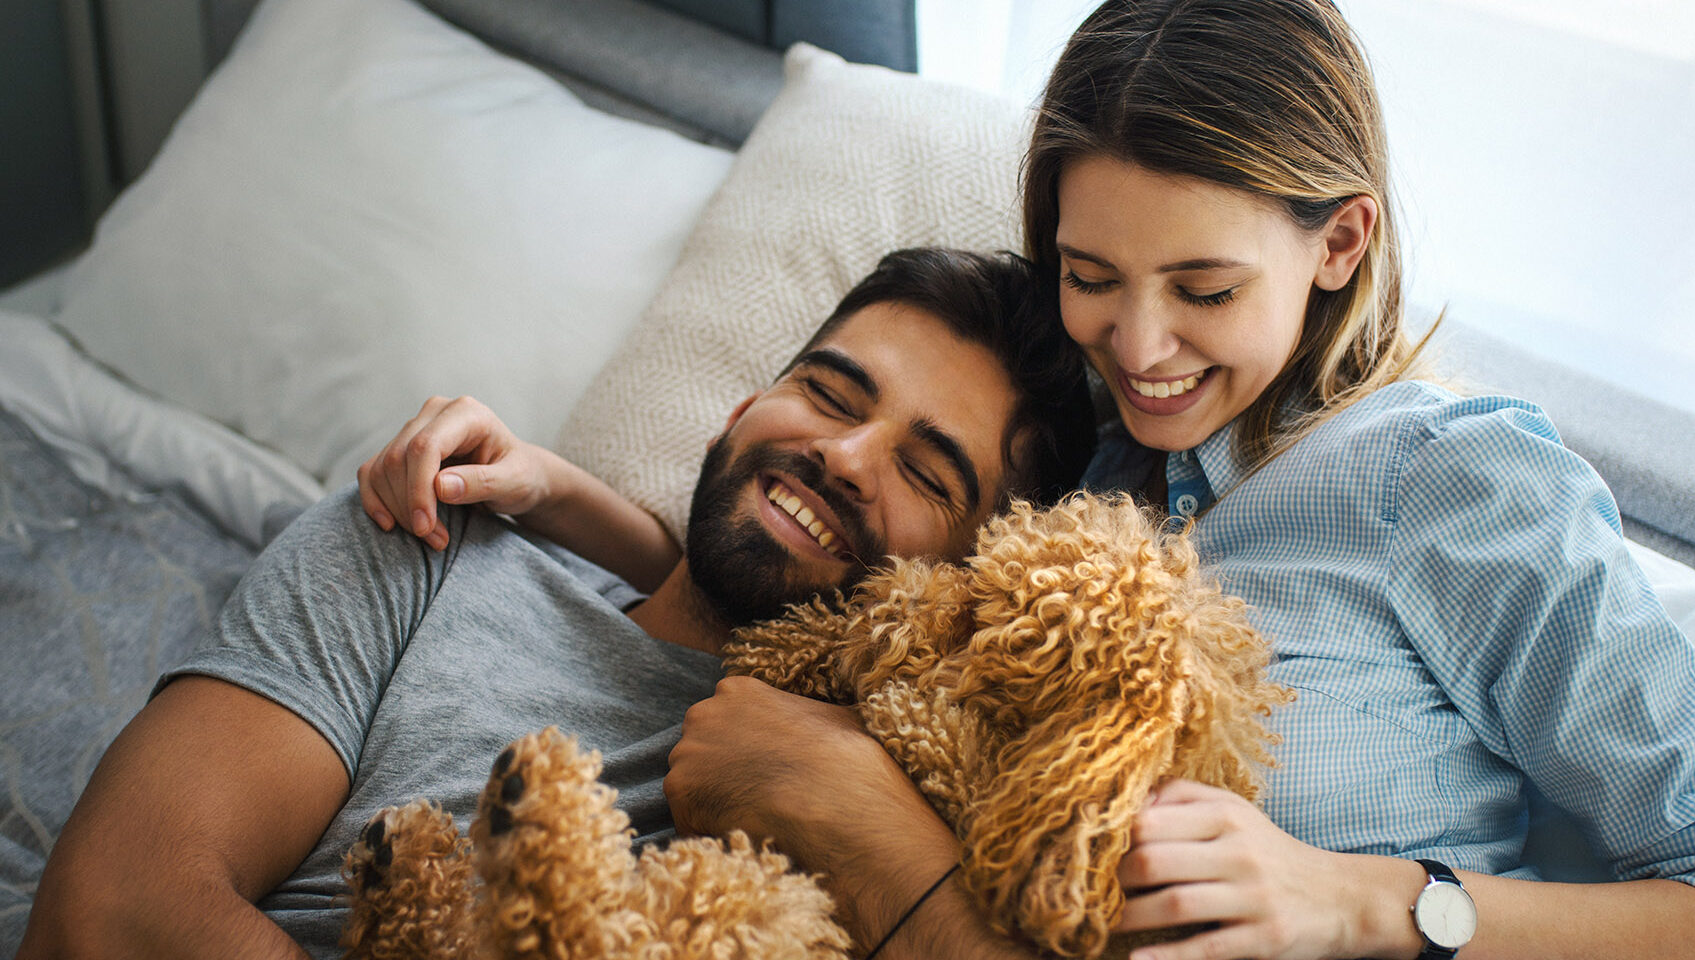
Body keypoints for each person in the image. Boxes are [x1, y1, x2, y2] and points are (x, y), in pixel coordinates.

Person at [663, 2, 1695, 959]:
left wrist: (1365, 903)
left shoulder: (1452, 484)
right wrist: (564, 504)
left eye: (1205, 290)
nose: (1139, 347)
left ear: (1339, 245)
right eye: (1091, 275)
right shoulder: (1082, 454)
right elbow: (858, 612)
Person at [17, 247, 1096, 960]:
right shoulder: (426, 545)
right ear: (744, 406)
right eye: (828, 392)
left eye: (928, 472)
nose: (844, 457)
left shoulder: (912, 809)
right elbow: (107, 911)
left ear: (967, 585)